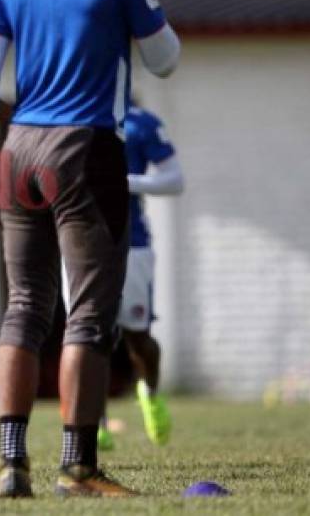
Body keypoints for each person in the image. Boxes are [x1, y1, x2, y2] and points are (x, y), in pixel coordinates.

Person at [0, 0, 180, 498]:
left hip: (19, 147)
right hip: (86, 148)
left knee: (25, 306)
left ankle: (11, 463)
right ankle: (78, 466)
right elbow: (164, 61)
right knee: (88, 313)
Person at [96, 103, 183, 450]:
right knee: (89, 335)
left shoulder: (141, 122)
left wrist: (127, 181)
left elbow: (175, 180)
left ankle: (149, 392)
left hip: (133, 244)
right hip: (79, 242)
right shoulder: (65, 112)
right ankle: (92, 422)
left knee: (138, 338)